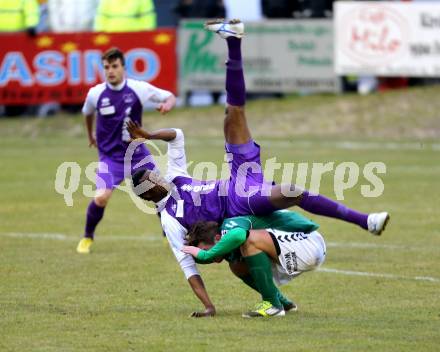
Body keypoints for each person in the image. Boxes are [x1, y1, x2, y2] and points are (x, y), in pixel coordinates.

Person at [128, 19, 389, 317]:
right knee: (292, 192)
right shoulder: (170, 220)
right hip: (239, 204)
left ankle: (233, 41)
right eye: (151, 179)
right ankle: (364, 221)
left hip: (240, 177)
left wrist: (149, 136)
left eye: (153, 172)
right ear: (147, 194)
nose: (157, 175)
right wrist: (209, 306)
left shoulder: (175, 177)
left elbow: (177, 136)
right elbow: (187, 265)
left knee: (232, 115)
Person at [76, 47, 176, 254]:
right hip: (110, 158)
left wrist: (167, 105)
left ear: (123, 68)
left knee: (161, 192)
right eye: (106, 67)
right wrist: (90, 136)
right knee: (101, 197)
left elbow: (170, 96)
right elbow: (87, 113)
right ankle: (87, 237)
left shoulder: (138, 89)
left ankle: (169, 234)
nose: (110, 71)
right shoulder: (96, 93)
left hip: (138, 154)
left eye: (114, 66)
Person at [182, 211, 326, 317]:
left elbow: (239, 235)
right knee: (237, 265)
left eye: (206, 250)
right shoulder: (224, 244)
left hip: (309, 243)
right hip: (295, 251)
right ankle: (283, 302)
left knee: (248, 240)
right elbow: (209, 257)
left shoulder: (229, 225)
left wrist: (204, 254)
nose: (210, 258)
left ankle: (272, 305)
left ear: (218, 238)